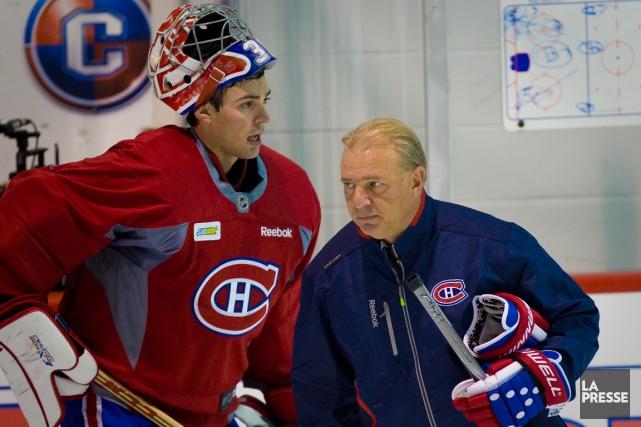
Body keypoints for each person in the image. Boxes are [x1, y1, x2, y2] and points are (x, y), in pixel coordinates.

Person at [0, 4, 320, 427]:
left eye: (265, 99)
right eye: (247, 104)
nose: (265, 117)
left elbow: (278, 331)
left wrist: (291, 406)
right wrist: (12, 307)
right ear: (203, 110)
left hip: (214, 414)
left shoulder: (293, 196)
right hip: (120, 408)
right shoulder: (152, 174)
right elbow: (29, 208)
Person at [292, 117, 599, 426]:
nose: (359, 201)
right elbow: (321, 397)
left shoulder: (490, 244)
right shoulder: (329, 278)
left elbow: (577, 317)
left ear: (416, 180)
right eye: (349, 186)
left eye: (375, 185)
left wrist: (543, 373)